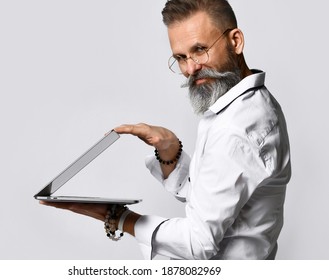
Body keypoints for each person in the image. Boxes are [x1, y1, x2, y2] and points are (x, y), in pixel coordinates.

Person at [40, 0, 291, 260]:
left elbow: (198, 242)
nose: (190, 69)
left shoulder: (236, 128)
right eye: (180, 58)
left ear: (235, 41)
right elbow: (216, 201)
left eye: (200, 50)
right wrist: (171, 150)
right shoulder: (250, 103)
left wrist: (119, 218)